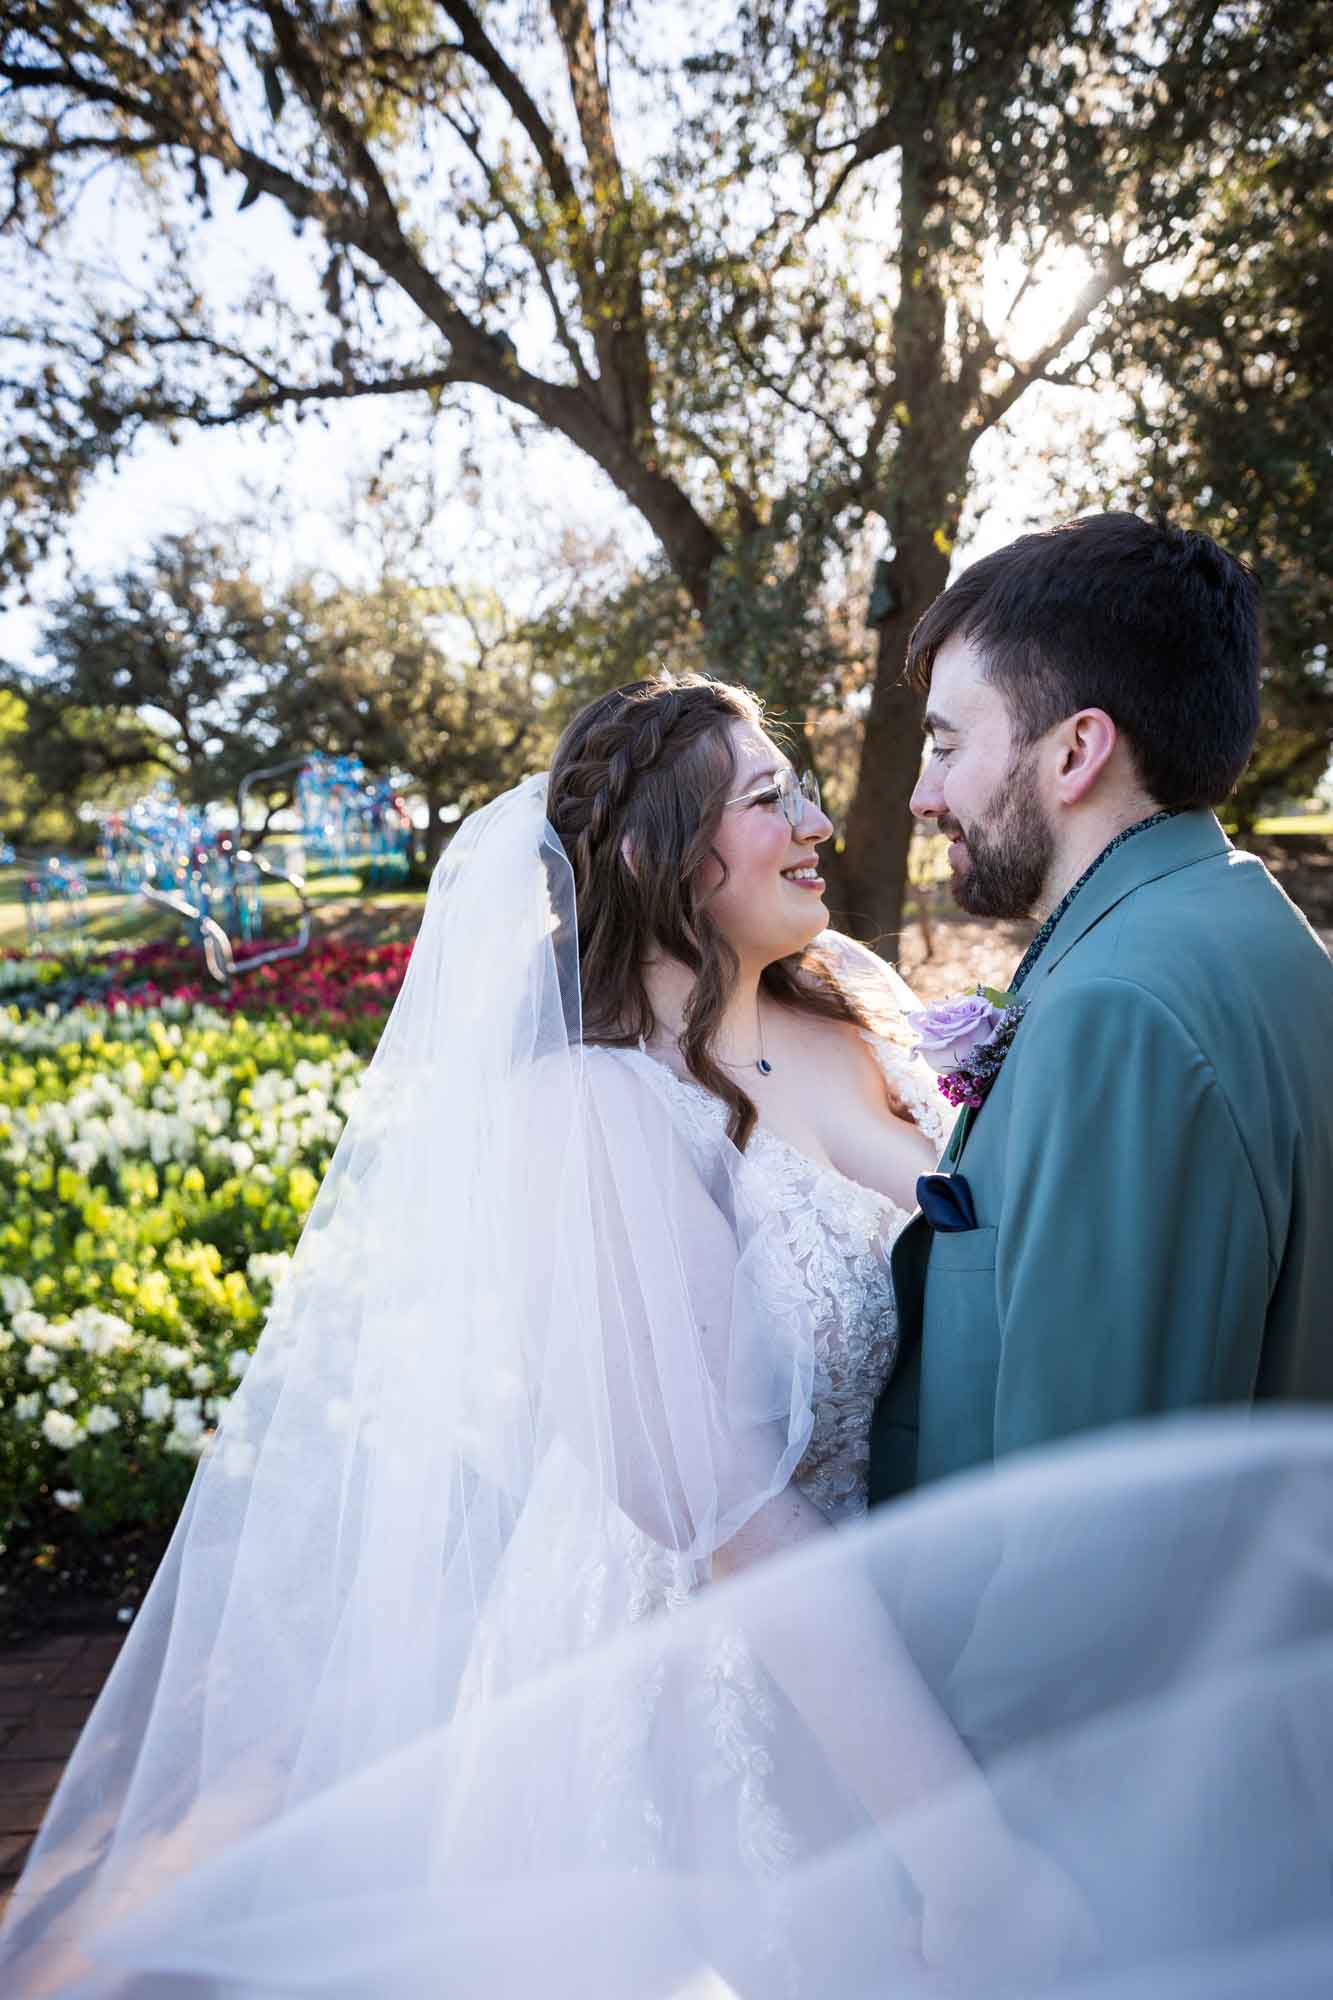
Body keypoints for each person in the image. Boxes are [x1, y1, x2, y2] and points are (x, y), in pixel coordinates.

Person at [5, 668, 1332, 1999]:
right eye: (771, 800)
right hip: (732, 1689)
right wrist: (965, 1860)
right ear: (656, 855)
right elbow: (730, 1517)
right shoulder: (592, 1113)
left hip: (912, 1615)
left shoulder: (850, 1004)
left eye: (802, 790)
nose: (817, 823)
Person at [872, 512, 1333, 1503]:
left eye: (948, 745)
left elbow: (1086, 1543)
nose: (922, 792)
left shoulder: (1115, 1013)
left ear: (1075, 750)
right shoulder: (1255, 922)